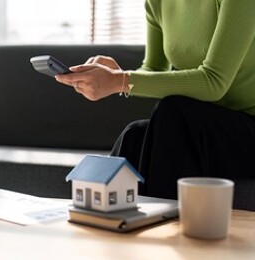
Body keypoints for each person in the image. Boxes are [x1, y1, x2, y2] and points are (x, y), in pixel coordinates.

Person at [55, 0, 255, 200]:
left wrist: (119, 80)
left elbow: (214, 82)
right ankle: (110, 221)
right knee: (135, 135)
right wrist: (116, 74)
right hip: (208, 130)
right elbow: (153, 69)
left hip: (248, 130)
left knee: (174, 112)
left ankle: (161, 225)